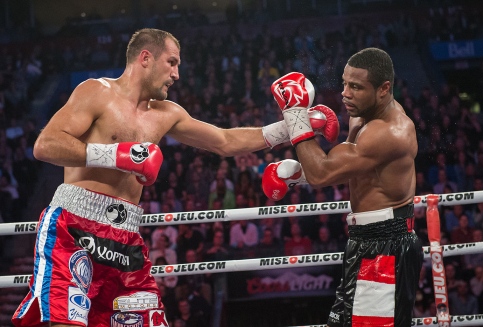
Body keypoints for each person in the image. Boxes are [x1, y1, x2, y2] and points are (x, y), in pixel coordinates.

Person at [13, 28, 313, 327]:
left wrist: (296, 125)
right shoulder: (96, 91)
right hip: (74, 227)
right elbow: (46, 145)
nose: (177, 74)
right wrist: (118, 155)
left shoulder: (167, 113)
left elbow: (224, 141)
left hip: (125, 237)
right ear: (146, 58)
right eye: (172, 62)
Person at [262, 48, 423, 327]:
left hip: (385, 246)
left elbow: (323, 173)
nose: (345, 93)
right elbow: (346, 169)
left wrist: (295, 112)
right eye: (345, 83)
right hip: (366, 241)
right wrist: (295, 175)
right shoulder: (362, 116)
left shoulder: (389, 131)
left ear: (384, 89)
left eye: (356, 87)